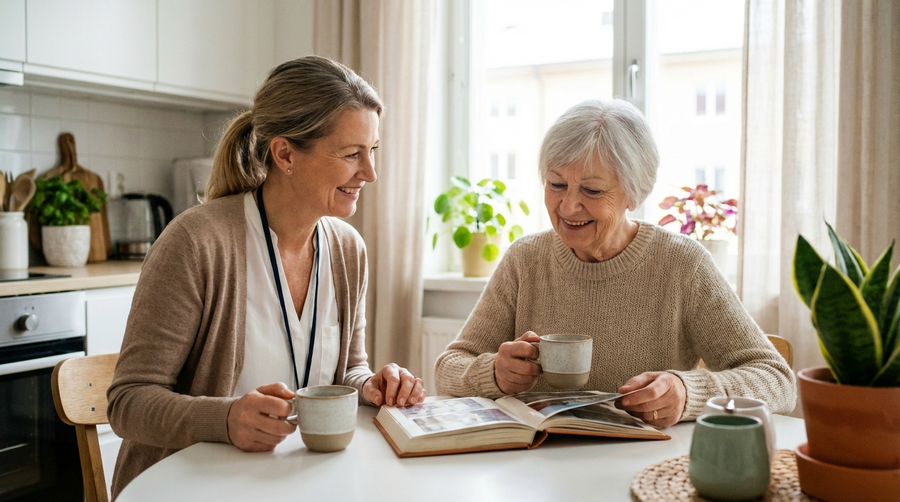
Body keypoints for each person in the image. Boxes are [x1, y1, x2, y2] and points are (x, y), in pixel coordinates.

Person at [107, 56, 425, 498]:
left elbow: (348, 369)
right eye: (352, 154)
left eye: (372, 152)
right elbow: (127, 402)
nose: (370, 173)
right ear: (285, 154)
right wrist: (225, 418)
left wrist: (370, 386)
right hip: (192, 487)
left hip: (298, 482)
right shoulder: (197, 242)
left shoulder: (348, 249)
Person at [434, 98, 796, 427]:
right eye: (556, 184)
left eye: (592, 191)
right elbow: (450, 366)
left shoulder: (681, 264)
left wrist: (688, 391)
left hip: (643, 469)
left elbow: (777, 380)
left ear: (634, 193)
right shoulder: (525, 259)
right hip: (538, 467)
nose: (568, 206)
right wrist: (494, 373)